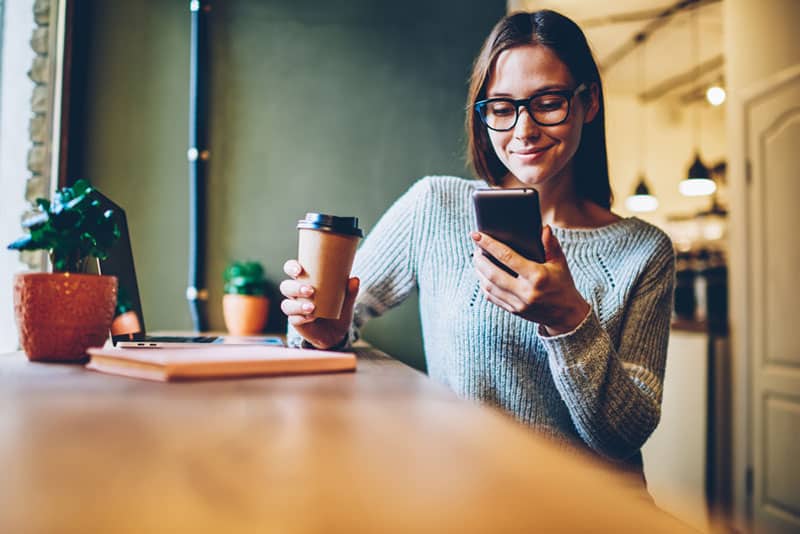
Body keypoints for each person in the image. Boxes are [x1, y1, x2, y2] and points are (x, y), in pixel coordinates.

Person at [279, 10, 675, 484]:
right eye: (502, 108)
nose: (523, 131)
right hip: (468, 498)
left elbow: (623, 437)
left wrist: (569, 320)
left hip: (596, 511)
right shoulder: (435, 206)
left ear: (588, 102)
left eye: (547, 102)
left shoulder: (644, 251)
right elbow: (329, 326)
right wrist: (318, 328)